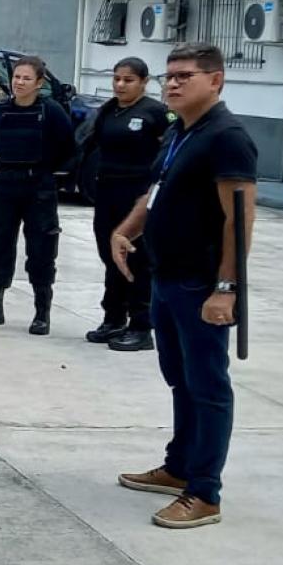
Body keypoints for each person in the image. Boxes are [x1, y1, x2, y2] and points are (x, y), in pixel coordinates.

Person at [111, 43, 256, 529]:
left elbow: (239, 219)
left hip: (201, 283)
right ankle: (179, 467)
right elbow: (156, 192)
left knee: (208, 386)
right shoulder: (180, 132)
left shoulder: (227, 137)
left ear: (215, 81)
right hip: (166, 277)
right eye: (168, 76)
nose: (172, 83)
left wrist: (226, 288)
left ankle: (204, 491)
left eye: (185, 76)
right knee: (180, 378)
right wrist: (127, 230)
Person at [0, 55, 75, 335]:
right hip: (5, 184)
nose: (19, 82)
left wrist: (47, 172)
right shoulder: (1, 111)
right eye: (16, 77)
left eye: (27, 78)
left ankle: (42, 312)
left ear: (39, 83)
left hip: (38, 188)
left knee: (41, 249)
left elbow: (68, 147)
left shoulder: (51, 111)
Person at [83, 57, 172, 351]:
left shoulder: (156, 113)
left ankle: (141, 326)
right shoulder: (108, 111)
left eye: (128, 80)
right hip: (107, 192)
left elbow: (168, 150)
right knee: (110, 256)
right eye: (117, 79)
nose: (120, 85)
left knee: (137, 259)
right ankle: (113, 318)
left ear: (144, 82)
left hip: (137, 194)